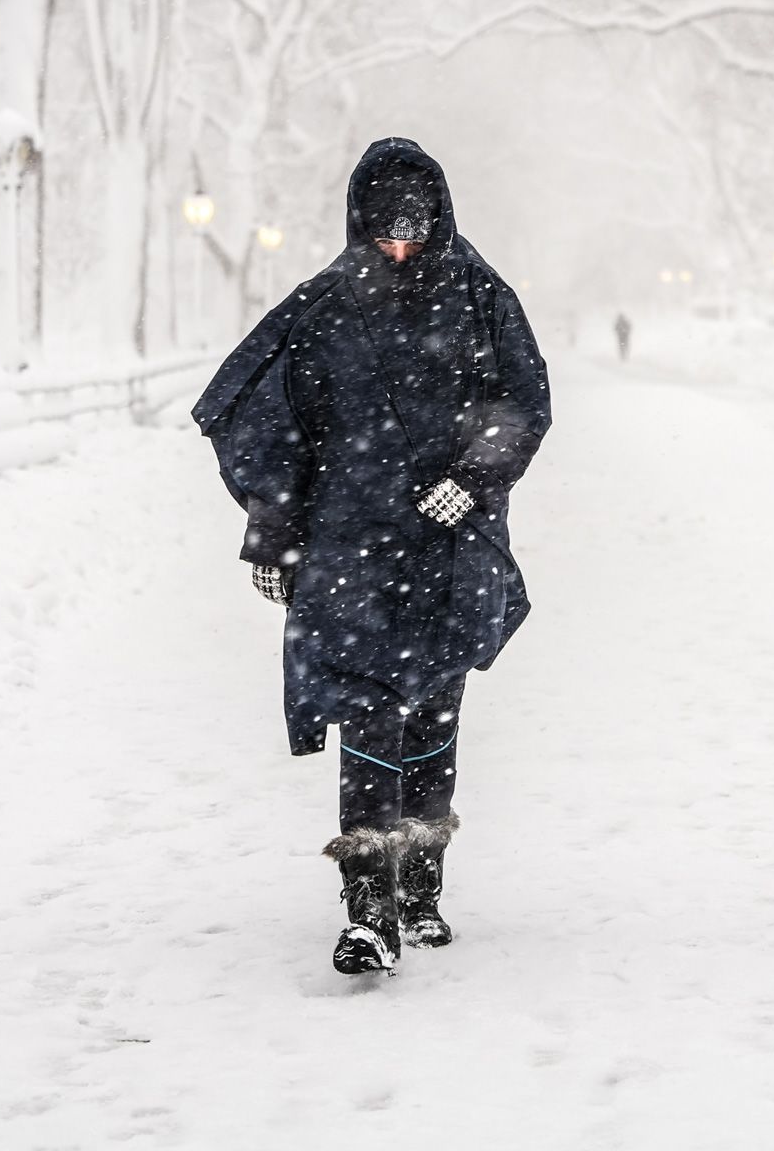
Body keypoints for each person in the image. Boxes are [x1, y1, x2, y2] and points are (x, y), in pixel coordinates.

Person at [191, 139, 552, 976]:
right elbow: (267, 420)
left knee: (430, 714)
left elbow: (522, 401)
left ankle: (421, 884)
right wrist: (275, 537)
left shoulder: (480, 299)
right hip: (351, 549)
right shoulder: (323, 306)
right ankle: (369, 909)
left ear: (436, 223)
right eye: (383, 236)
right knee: (366, 719)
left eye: (412, 237)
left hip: (447, 549)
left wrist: (473, 477)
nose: (398, 251)